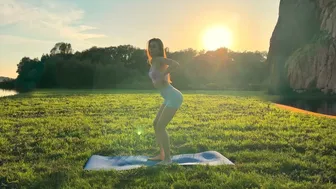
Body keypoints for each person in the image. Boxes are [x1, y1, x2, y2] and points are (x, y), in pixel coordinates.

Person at [146, 38, 183, 165]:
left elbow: (176, 64)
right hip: (168, 97)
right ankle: (162, 154)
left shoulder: (160, 59)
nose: (152, 49)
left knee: (161, 126)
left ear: (160, 48)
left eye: (154, 47)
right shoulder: (153, 61)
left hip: (174, 96)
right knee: (156, 124)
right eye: (150, 46)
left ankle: (168, 159)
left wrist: (163, 74)